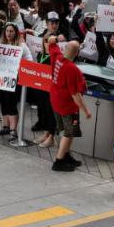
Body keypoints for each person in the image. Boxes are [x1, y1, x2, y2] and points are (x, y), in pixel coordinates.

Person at [47, 37, 91, 172]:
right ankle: (59, 161)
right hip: (67, 106)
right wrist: (86, 110)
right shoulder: (72, 69)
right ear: (77, 53)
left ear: (65, 47)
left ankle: (66, 156)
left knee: (67, 131)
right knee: (69, 132)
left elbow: (50, 42)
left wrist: (55, 38)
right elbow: (75, 94)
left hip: (55, 101)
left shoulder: (57, 57)